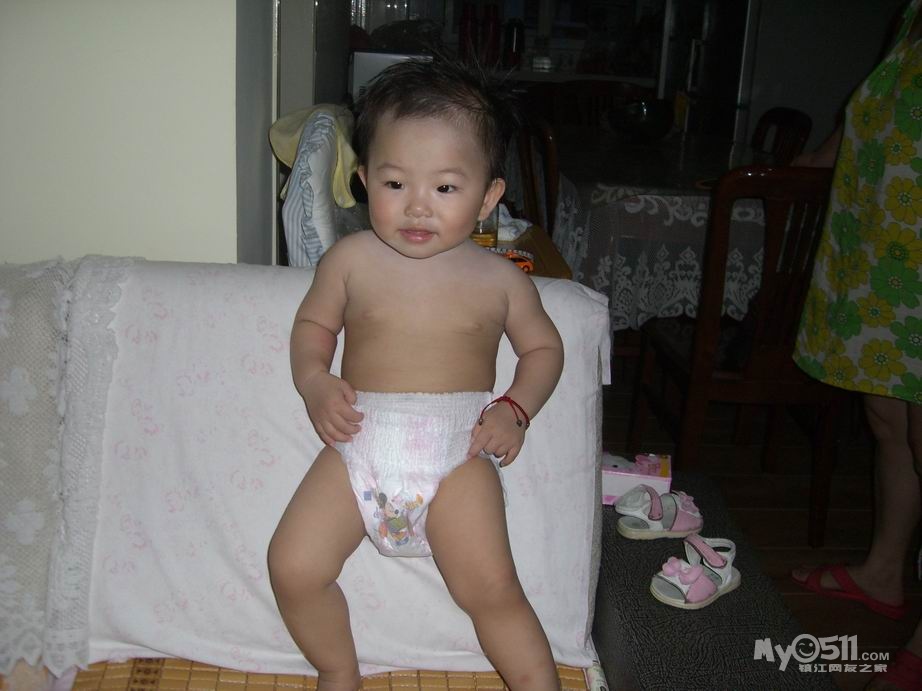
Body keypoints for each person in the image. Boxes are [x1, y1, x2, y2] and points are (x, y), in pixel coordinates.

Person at [267, 58, 565, 691]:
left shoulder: (502, 279)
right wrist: (314, 380)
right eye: (396, 182)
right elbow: (312, 326)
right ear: (363, 180)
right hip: (358, 446)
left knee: (493, 590)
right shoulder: (350, 260)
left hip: (459, 456)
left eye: (446, 188)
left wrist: (515, 408)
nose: (418, 206)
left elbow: (543, 350)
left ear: (488, 197)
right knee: (292, 567)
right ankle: (338, 669)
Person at [791, 1, 922, 688]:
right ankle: (883, 572)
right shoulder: (912, 17)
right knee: (889, 417)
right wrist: (815, 160)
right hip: (888, 245)